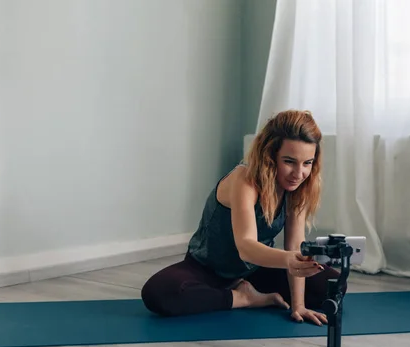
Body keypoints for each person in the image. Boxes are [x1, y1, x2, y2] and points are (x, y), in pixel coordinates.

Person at [141, 110, 341, 326]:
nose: (299, 173)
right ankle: (244, 297)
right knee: (158, 293)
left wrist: (298, 305)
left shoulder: (297, 188)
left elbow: (295, 245)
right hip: (208, 268)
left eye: (307, 163)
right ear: (270, 155)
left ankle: (242, 289)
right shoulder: (244, 179)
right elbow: (246, 246)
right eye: (289, 161)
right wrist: (287, 259)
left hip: (254, 270)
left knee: (334, 285)